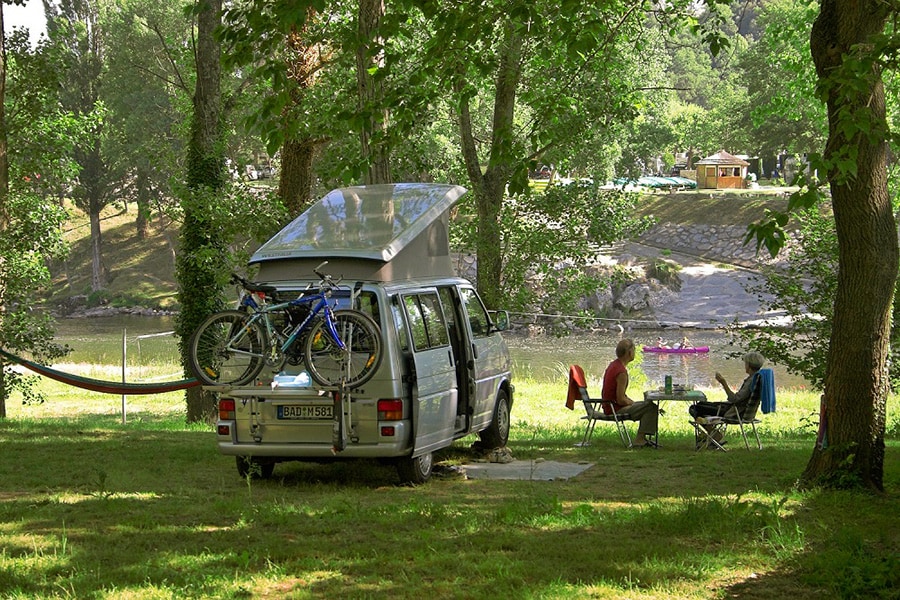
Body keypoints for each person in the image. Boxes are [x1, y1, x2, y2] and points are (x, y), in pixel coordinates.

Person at [689, 352, 765, 446]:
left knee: (694, 408)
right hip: (740, 410)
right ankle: (712, 435)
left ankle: (715, 435)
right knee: (701, 404)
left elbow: (735, 399)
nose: (745, 366)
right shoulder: (757, 378)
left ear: (749, 365)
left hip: (734, 412)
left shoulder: (751, 381)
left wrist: (723, 383)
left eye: (745, 363)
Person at [601, 338, 659, 447]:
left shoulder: (614, 365)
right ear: (629, 352)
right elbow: (620, 399)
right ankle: (640, 440)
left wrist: (633, 403)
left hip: (609, 405)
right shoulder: (621, 372)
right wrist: (632, 403)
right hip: (613, 409)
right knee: (650, 407)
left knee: (646, 405)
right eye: (634, 350)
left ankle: (642, 439)